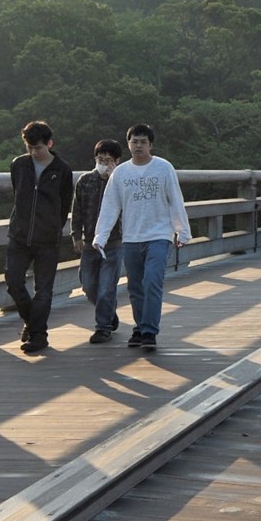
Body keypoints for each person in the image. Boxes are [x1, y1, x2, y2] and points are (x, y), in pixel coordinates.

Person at [93, 124, 189, 353]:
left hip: (159, 234)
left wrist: (181, 230)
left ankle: (149, 332)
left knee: (152, 281)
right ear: (128, 144)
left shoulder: (163, 168)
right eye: (134, 141)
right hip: (132, 236)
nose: (138, 146)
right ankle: (140, 326)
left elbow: (175, 199)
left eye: (143, 142)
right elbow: (110, 206)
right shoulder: (121, 173)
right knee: (135, 287)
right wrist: (101, 235)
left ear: (150, 145)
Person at [4, 120, 74, 355]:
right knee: (13, 282)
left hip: (47, 239)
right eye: (30, 147)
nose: (34, 152)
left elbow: (64, 204)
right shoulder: (19, 165)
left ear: (50, 144)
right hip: (19, 236)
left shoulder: (62, 169)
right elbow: (18, 193)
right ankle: (34, 325)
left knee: (43, 290)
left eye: (38, 148)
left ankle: (38, 335)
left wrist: (54, 227)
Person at [71, 138, 124, 343]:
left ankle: (103, 328)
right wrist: (76, 235)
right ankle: (109, 311)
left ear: (117, 161)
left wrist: (113, 179)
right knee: (88, 285)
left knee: (106, 288)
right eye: (100, 159)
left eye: (108, 160)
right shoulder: (85, 180)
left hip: (114, 243)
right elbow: (77, 211)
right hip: (90, 243)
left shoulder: (121, 180)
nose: (103, 163)